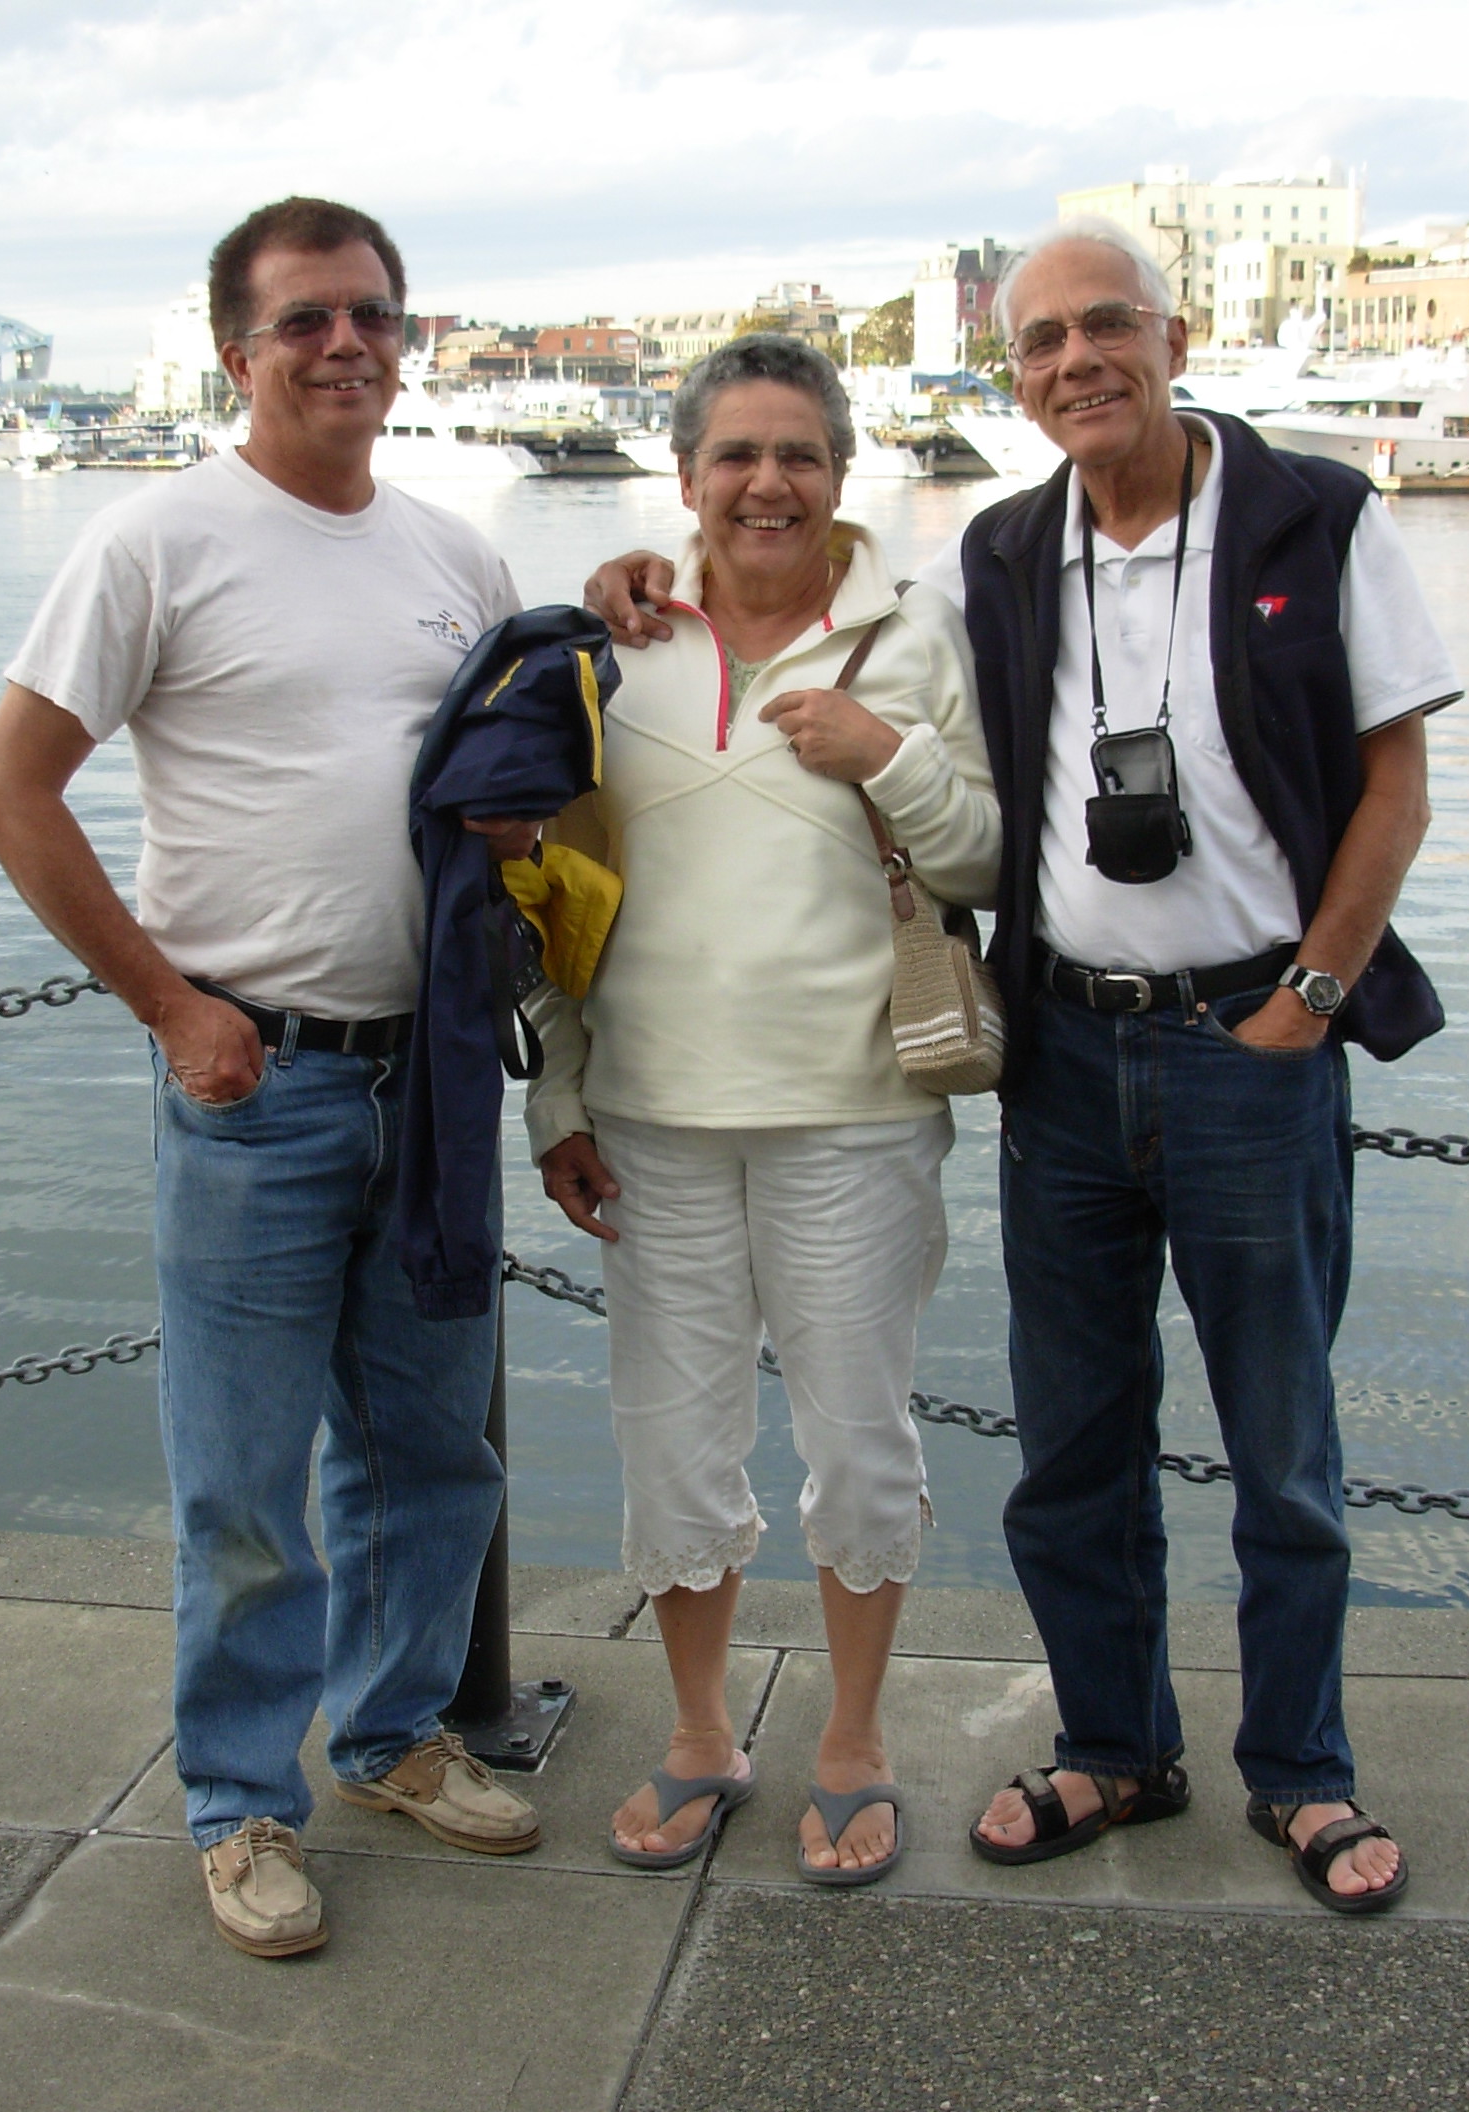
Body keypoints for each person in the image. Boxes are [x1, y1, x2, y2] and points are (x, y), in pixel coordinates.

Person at [586, 222, 1455, 1912]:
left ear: (1174, 336)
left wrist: (1312, 997)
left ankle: (1303, 1776)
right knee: (1073, 1445)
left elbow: (1393, 784)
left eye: (1107, 325)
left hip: (1251, 1037)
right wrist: (629, 578)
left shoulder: (1317, 519)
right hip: (1064, 1050)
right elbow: (759, 623)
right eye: (1043, 340)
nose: (1077, 361)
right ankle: (1115, 1748)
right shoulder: (1000, 551)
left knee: (1280, 1445)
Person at [0, 195, 543, 1963]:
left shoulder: (455, 558)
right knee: (241, 1481)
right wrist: (170, 1008)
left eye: (371, 314)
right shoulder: (155, 542)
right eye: (304, 319)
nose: (344, 344)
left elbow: (513, 785)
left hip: (430, 1085)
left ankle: (391, 1735)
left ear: (406, 341)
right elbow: (11, 792)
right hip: (254, 1084)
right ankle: (238, 1805)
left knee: (431, 1449)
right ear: (237, 350)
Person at [529, 337, 999, 1883]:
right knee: (673, 1447)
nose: (767, 484)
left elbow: (988, 859)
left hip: (857, 1112)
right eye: (735, 454)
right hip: (651, 1117)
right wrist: (557, 1097)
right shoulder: (615, 639)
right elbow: (562, 887)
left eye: (799, 453)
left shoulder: (917, 636)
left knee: (859, 1442)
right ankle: (698, 1733)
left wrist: (892, 761)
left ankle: (853, 1740)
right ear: (685, 478)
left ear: (842, 474)